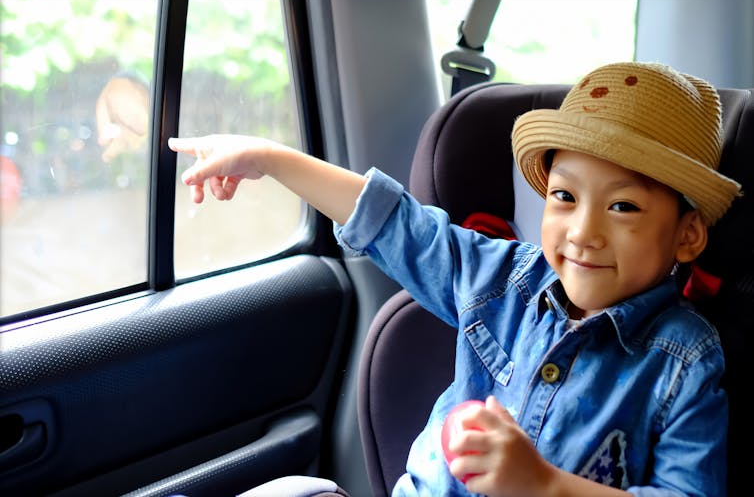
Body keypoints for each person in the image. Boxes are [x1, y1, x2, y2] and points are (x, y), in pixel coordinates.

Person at [168, 62, 741, 497]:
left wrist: (544, 485)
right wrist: (271, 159)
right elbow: (395, 224)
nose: (583, 232)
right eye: (564, 197)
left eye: (624, 209)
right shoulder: (503, 280)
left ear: (687, 235)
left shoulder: (684, 360)